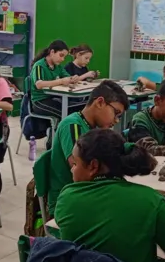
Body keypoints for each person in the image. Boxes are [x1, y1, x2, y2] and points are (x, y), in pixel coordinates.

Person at [54, 129, 165, 262]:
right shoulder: (150, 200)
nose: (72, 169)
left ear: (93, 166)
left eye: (75, 164)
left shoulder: (67, 197)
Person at [46, 80, 130, 216]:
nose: (116, 120)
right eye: (116, 113)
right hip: (68, 200)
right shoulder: (73, 125)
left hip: (87, 193)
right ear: (100, 102)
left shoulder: (95, 128)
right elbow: (81, 172)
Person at [29, 40, 80, 119]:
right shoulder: (39, 65)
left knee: (74, 110)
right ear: (52, 52)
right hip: (39, 101)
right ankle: (60, 130)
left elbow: (68, 77)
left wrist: (73, 78)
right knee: (66, 115)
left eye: (64, 57)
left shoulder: (57, 66)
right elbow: (39, 84)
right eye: (61, 55)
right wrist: (61, 81)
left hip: (52, 98)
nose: (63, 59)